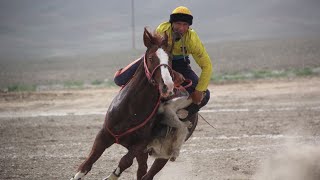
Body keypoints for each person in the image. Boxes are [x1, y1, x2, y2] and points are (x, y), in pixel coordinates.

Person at [114, 6, 213, 120]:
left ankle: (181, 115)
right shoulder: (162, 30)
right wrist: (173, 73)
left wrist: (199, 91)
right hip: (158, 60)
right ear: (172, 23)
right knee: (119, 79)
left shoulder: (192, 40)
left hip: (180, 63)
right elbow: (157, 54)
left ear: (189, 26)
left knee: (205, 96)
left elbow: (207, 66)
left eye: (185, 25)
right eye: (178, 24)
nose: (181, 28)